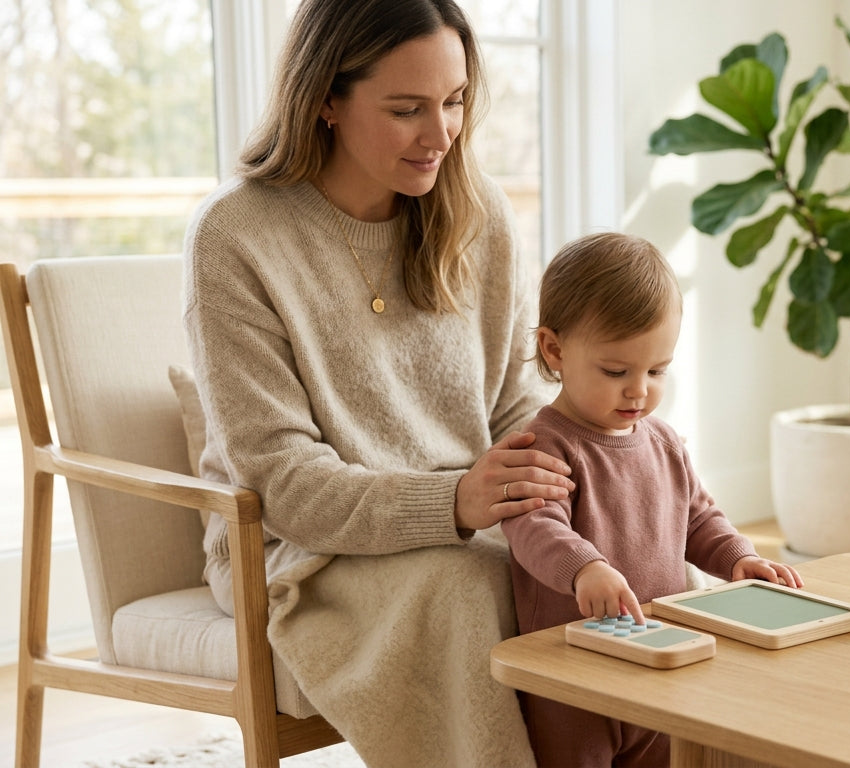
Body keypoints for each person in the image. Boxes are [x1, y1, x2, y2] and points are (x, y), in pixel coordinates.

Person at [181, 1, 572, 765]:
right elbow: (285, 483)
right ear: (325, 97)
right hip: (295, 547)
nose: (441, 135)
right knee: (469, 592)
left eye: (456, 101)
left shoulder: (477, 211)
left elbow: (514, 408)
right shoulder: (236, 235)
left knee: (644, 561)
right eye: (406, 110)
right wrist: (454, 502)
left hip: (462, 521)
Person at [502, 232, 803, 767]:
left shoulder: (663, 442)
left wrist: (738, 557)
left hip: (662, 655)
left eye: (657, 370)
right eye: (616, 372)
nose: (639, 390)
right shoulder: (544, 446)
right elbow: (534, 528)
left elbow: (699, 517)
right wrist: (584, 569)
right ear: (554, 350)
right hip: (575, 668)